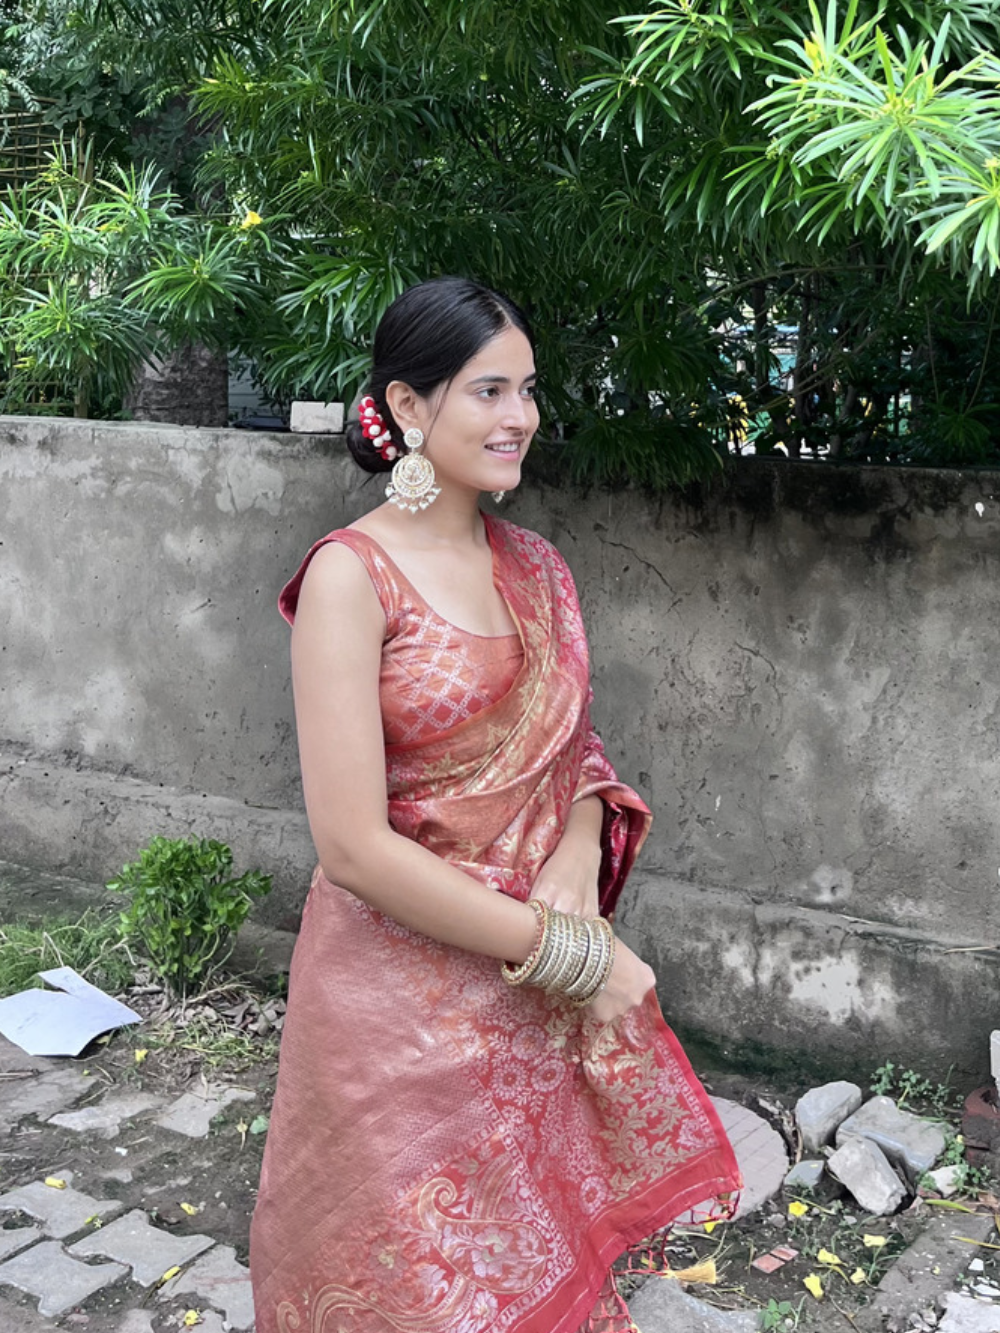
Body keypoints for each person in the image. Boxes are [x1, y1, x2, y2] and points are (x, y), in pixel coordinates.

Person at [250, 277, 740, 1333]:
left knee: (532, 1279)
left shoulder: (539, 570)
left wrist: (573, 848)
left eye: (528, 389)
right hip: (390, 1021)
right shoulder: (353, 577)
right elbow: (350, 846)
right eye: (487, 389)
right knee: (413, 1293)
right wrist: (578, 954)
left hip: (520, 1011)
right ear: (410, 407)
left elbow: (576, 749)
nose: (519, 415)